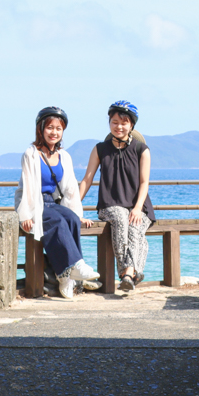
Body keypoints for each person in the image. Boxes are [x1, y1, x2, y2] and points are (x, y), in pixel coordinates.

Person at [15, 106, 99, 299]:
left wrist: (78, 215)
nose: (54, 132)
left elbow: (70, 190)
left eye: (58, 128)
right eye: (50, 127)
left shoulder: (64, 156)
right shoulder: (31, 154)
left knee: (69, 219)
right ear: (41, 129)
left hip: (52, 203)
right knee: (57, 221)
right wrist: (25, 215)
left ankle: (65, 278)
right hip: (34, 202)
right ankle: (75, 268)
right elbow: (27, 187)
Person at [78, 100, 155, 292]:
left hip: (139, 206)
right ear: (109, 123)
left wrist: (137, 208)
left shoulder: (142, 150)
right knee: (121, 218)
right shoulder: (100, 149)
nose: (119, 126)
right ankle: (129, 272)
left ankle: (128, 274)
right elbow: (87, 179)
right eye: (114, 122)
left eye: (124, 122)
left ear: (131, 125)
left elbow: (145, 182)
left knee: (136, 229)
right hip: (110, 205)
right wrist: (73, 205)